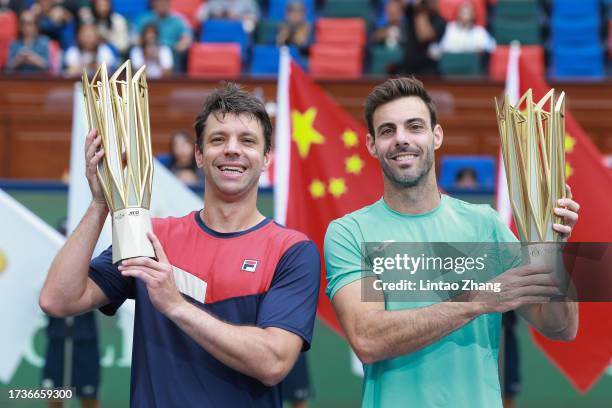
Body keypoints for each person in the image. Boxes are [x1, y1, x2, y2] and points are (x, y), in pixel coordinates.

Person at [39, 83, 321, 407]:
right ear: (199, 155)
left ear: (267, 157)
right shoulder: (151, 237)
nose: (232, 149)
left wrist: (176, 306)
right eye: (218, 139)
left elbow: (273, 363)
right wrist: (101, 201)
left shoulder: (293, 251)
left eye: (247, 141)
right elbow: (57, 299)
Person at [324, 77, 580, 407]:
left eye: (414, 127)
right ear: (372, 145)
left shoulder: (484, 225)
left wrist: (552, 248)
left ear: (436, 136)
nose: (401, 139)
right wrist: (481, 299)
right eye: (388, 131)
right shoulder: (350, 232)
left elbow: (561, 326)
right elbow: (368, 338)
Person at [42, 218, 100, 408]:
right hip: (57, 339)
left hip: (85, 339)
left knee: (89, 395)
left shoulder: (92, 262)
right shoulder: (47, 264)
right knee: (55, 394)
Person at [134, 0, 192, 71]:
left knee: (170, 54)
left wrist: (179, 47)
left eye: (165, 2)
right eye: (159, 2)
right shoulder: (144, 19)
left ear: (169, 3)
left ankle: (174, 80)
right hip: (147, 48)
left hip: (172, 51)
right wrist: (146, 46)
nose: (162, 4)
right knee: (136, 51)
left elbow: (187, 38)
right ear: (153, 3)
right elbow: (136, 37)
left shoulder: (178, 20)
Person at [401, 0, 446, 75]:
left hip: (428, 70)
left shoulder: (440, 20)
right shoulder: (412, 12)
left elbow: (424, 36)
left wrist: (420, 10)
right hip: (408, 68)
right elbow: (400, 5)